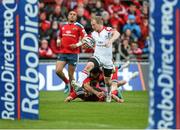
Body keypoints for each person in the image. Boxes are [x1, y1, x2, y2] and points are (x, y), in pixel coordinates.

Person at [72, 16, 120, 102]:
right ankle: (78, 83)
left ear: (99, 24)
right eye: (92, 25)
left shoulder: (107, 30)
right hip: (97, 57)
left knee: (108, 81)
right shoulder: (93, 34)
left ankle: (109, 94)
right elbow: (86, 40)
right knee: (89, 65)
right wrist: (78, 45)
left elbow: (117, 34)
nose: (92, 27)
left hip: (107, 60)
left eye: (94, 25)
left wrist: (110, 41)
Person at [65, 62, 139, 102]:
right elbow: (85, 86)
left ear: (98, 73)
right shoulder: (88, 77)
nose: (93, 75)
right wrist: (70, 97)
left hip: (105, 79)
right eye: (92, 74)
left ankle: (119, 68)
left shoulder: (103, 74)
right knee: (114, 88)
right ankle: (128, 75)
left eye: (94, 74)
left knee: (115, 85)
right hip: (98, 88)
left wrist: (117, 98)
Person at [55, 10, 87, 94]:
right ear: (68, 16)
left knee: (71, 75)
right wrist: (58, 40)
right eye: (71, 14)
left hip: (73, 54)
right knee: (58, 71)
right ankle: (66, 83)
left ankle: (72, 93)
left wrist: (77, 45)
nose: (72, 16)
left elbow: (86, 38)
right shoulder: (63, 26)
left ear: (76, 17)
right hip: (63, 52)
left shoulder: (79, 26)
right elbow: (59, 36)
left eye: (74, 15)